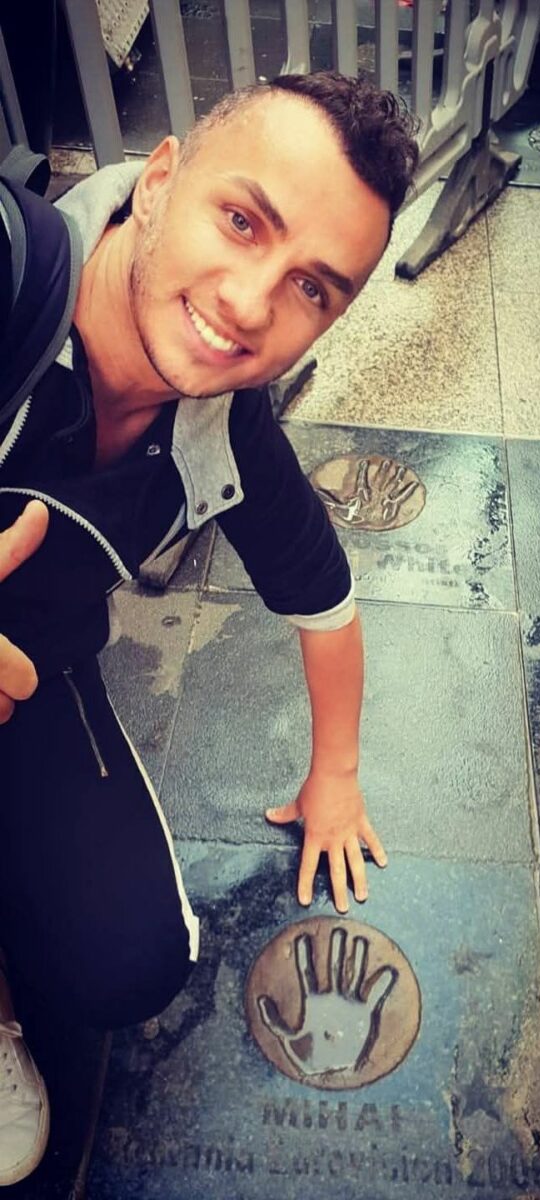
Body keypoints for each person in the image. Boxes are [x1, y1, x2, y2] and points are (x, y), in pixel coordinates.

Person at [0, 70, 418, 1184]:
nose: (248, 303)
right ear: (160, 180)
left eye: (310, 287)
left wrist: (337, 777)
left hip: (33, 682)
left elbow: (323, 597)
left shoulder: (224, 429)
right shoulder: (8, 275)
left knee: (128, 964)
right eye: (242, 220)